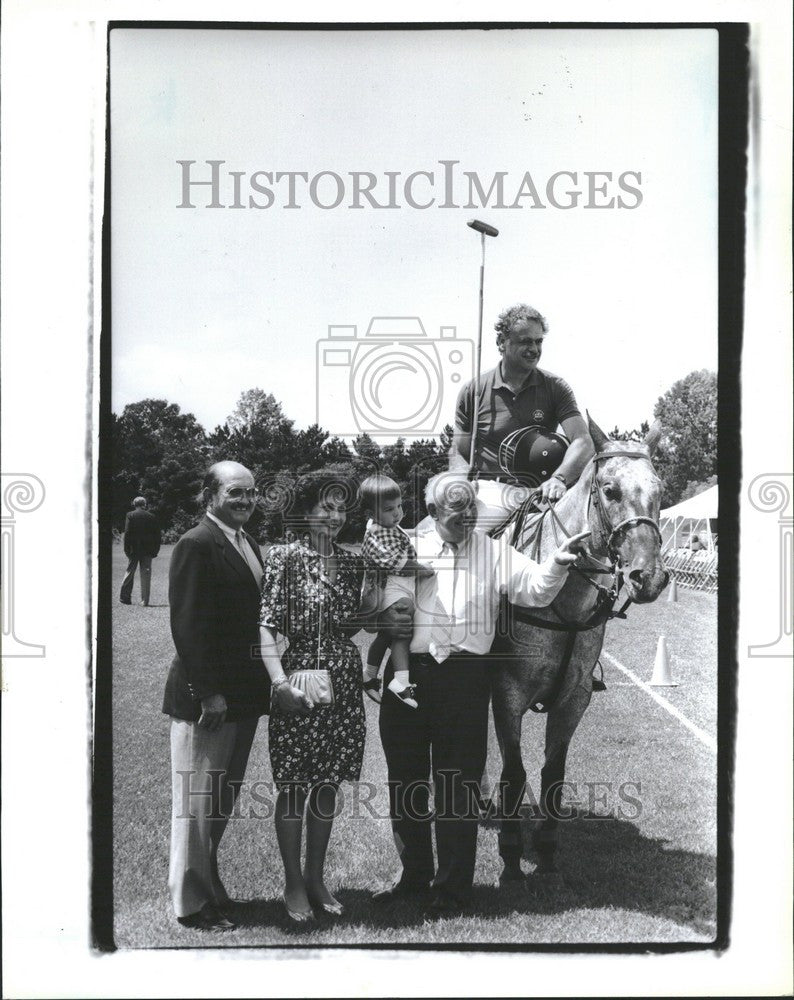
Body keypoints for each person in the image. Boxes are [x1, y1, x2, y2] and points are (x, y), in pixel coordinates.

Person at [373, 471, 589, 913]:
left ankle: (452, 889)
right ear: (432, 512)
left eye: (472, 508)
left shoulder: (492, 551)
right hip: (406, 673)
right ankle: (414, 876)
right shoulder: (407, 543)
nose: (468, 518)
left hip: (464, 677)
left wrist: (559, 561)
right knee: (405, 782)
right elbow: (388, 596)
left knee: (457, 785)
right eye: (457, 511)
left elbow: (532, 588)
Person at [164, 461, 300, 932]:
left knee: (220, 800)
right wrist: (209, 694)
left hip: (244, 697)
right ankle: (191, 904)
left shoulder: (246, 542)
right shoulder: (195, 543)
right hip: (209, 702)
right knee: (196, 802)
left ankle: (211, 886)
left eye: (252, 493)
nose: (246, 500)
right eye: (235, 492)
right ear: (210, 494)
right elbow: (187, 626)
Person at [257, 471, 369, 925]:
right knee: (293, 786)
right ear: (305, 512)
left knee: (326, 785)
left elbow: (354, 625)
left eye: (341, 508)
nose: (336, 515)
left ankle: (317, 877)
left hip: (342, 682)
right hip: (299, 677)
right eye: (326, 506)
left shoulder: (353, 562)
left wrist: (378, 601)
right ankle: (292, 881)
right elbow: (266, 627)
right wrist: (280, 683)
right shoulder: (284, 557)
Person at [450, 303, 594, 525]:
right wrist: (460, 483)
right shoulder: (474, 391)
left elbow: (583, 440)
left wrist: (559, 478)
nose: (534, 349)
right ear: (501, 343)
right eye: (525, 341)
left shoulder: (555, 387)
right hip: (493, 494)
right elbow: (459, 452)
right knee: (463, 541)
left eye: (538, 341)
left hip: (543, 492)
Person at [358, 474, 435, 709]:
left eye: (399, 506)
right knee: (402, 628)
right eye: (390, 509)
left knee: (387, 634)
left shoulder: (388, 527)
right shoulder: (376, 532)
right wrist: (423, 569)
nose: (397, 513)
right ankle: (401, 681)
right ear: (371, 513)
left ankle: (369, 674)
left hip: (397, 585)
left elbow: (400, 539)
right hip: (391, 585)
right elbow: (394, 562)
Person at [119, 496, 161, 606]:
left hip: (133, 550)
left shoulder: (130, 515)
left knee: (129, 573)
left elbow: (127, 533)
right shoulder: (152, 516)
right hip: (148, 550)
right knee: (146, 575)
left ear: (134, 504)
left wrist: (126, 549)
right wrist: (155, 550)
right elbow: (157, 535)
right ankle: (145, 601)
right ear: (144, 504)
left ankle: (125, 598)